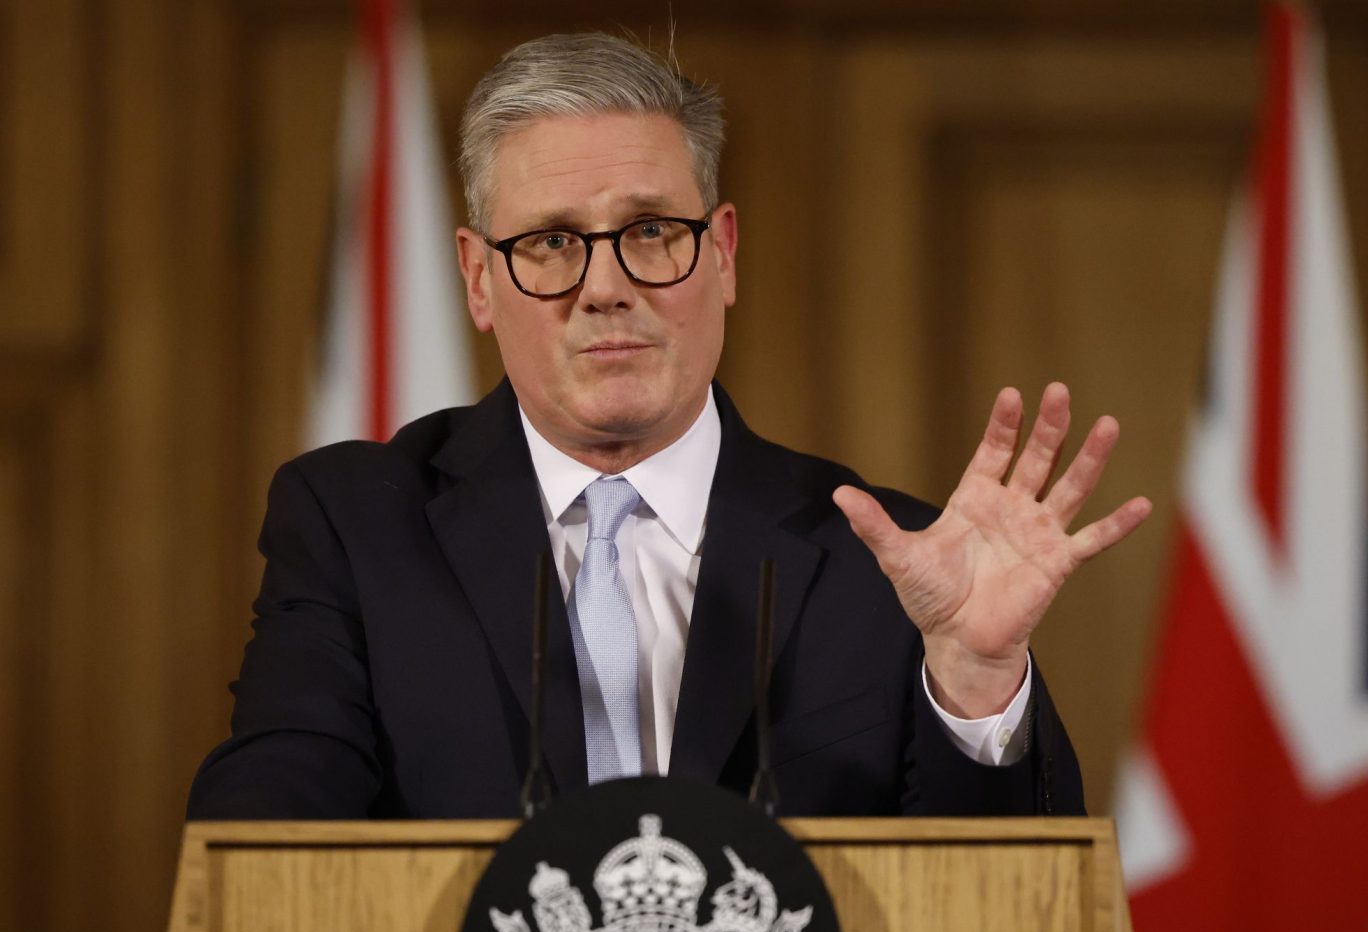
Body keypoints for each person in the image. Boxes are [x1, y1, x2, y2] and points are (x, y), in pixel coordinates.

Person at [183, 31, 1151, 823]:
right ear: (478, 279)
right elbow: (278, 798)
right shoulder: (359, 525)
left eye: (650, 231)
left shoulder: (891, 564)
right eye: (552, 241)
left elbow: (999, 914)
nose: (606, 287)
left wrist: (976, 681)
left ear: (722, 253)